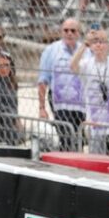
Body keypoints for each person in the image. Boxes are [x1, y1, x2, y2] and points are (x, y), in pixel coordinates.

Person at [38, 18, 87, 150]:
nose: (69, 33)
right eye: (66, 30)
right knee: (65, 134)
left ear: (78, 33)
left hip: (81, 103)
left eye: (73, 30)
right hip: (59, 101)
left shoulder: (86, 51)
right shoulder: (51, 50)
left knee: (79, 138)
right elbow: (43, 80)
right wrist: (42, 108)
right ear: (61, 32)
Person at [70, 27, 109, 155]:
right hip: (94, 120)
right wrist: (85, 44)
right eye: (95, 42)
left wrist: (108, 41)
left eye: (101, 42)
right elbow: (73, 66)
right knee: (96, 155)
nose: (99, 45)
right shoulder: (87, 63)